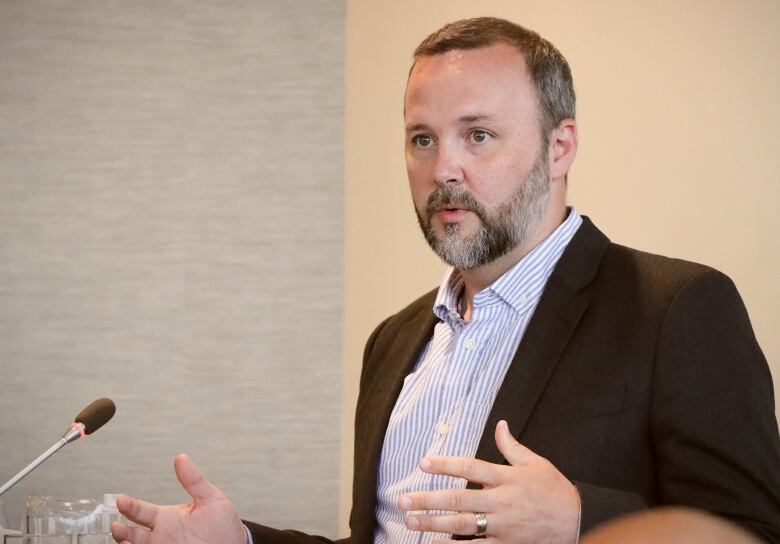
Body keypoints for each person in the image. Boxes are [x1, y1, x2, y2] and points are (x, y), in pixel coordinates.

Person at [110, 17, 780, 544]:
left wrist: (580, 522)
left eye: (478, 135)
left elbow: (750, 533)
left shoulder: (677, 309)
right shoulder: (393, 340)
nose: (443, 169)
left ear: (560, 147)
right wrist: (245, 542)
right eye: (422, 139)